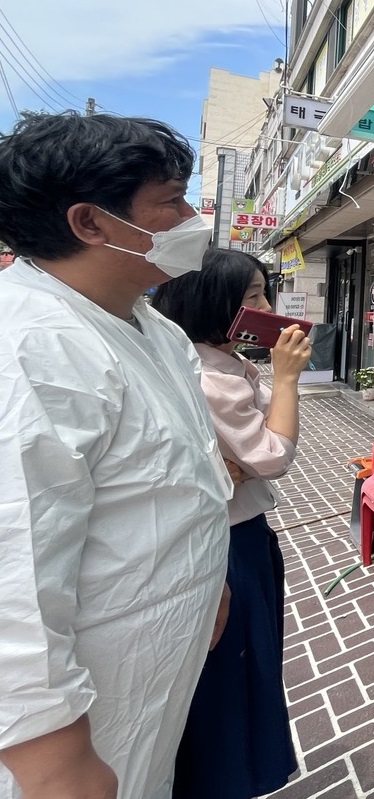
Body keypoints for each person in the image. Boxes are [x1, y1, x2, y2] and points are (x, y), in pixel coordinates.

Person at [0, 112, 230, 799]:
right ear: (90, 223)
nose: (193, 218)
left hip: (145, 674)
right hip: (68, 736)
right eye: (170, 201)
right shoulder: (30, 347)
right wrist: (51, 756)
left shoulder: (149, 326)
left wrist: (205, 578)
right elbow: (16, 556)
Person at [151, 249, 311, 799]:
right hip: (227, 547)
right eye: (253, 296)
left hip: (245, 536)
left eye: (266, 292)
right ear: (212, 302)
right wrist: (288, 377)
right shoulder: (208, 376)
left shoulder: (226, 361)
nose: (267, 307)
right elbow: (271, 454)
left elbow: (251, 461)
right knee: (235, 674)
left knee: (251, 666)